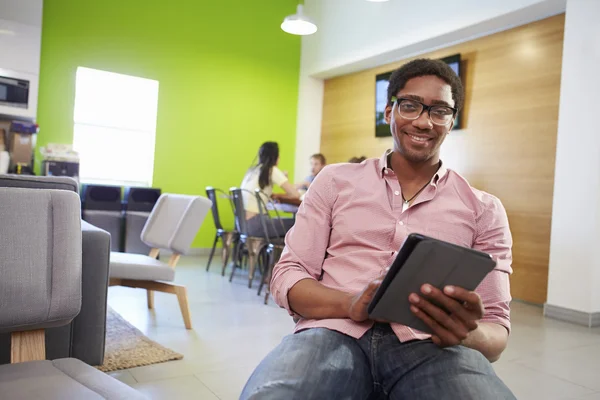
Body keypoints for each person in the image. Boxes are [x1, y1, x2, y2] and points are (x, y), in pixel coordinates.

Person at [240, 59, 516, 400]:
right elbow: (288, 275)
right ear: (389, 112)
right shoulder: (335, 181)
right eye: (411, 106)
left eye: (440, 110)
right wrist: (350, 303)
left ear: (451, 121)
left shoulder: (485, 210)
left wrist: (466, 333)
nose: (423, 121)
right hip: (332, 332)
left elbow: (496, 329)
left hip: (432, 346)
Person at [241, 141, 300, 238]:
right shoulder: (272, 169)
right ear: (275, 157)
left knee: (285, 222)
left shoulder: (252, 170)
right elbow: (295, 195)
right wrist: (282, 187)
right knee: (299, 224)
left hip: (242, 223)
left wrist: (276, 195)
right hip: (256, 224)